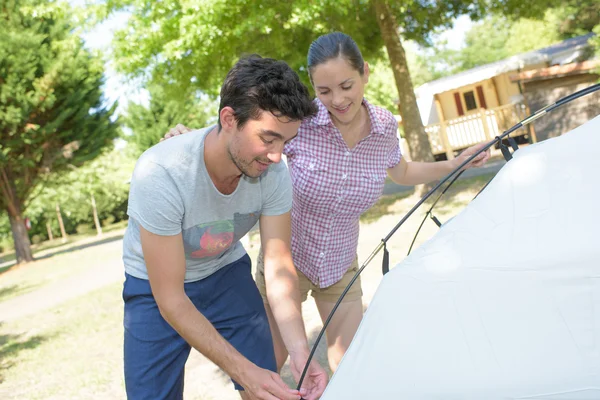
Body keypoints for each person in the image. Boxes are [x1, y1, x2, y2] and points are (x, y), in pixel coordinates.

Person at [164, 32, 490, 375]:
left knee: (352, 367)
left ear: (364, 72)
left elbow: (402, 170)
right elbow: (243, 137)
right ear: (313, 87)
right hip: (287, 263)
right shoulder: (301, 122)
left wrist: (455, 164)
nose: (337, 99)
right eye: (324, 91)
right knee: (266, 368)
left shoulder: (382, 128)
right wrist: (187, 139)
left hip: (340, 265)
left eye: (346, 85)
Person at [122, 55, 328, 400]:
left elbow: (278, 265)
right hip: (155, 287)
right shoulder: (160, 173)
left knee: (268, 387)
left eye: (285, 142)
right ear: (229, 119)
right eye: (268, 138)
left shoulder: (273, 172)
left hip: (225, 273)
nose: (277, 156)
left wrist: (300, 352)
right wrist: (243, 371)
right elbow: (171, 298)